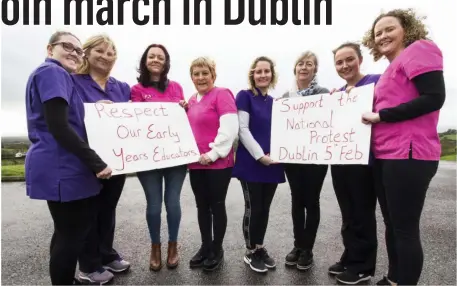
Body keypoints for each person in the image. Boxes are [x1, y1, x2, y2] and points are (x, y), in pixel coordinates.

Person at [360, 8, 446, 285]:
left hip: (409, 153)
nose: (383, 35)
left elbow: (434, 97)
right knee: (392, 225)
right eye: (378, 33)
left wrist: (383, 115)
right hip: (386, 154)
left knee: (405, 229)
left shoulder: (420, 49)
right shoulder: (389, 70)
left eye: (389, 29)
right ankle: (394, 278)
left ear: (406, 30)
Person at [24, 31, 112, 285]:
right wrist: (97, 162)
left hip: (60, 164)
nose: (75, 52)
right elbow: (59, 127)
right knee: (71, 235)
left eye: (78, 49)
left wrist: (97, 109)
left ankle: (64, 280)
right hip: (61, 165)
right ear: (50, 49)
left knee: (65, 233)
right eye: (67, 46)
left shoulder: (55, 75)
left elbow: (70, 116)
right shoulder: (53, 72)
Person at [72, 34, 131, 284]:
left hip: (116, 159)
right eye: (100, 51)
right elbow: (68, 116)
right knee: (88, 214)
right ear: (86, 52)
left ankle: (107, 254)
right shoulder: (73, 81)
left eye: (110, 52)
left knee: (107, 210)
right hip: (87, 160)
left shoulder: (122, 87)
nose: (106, 56)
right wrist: (95, 110)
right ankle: (88, 265)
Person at [130, 44, 188, 271]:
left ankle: (173, 245)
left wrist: (184, 107)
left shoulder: (176, 88)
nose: (155, 60)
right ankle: (156, 246)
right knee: (154, 206)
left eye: (160, 57)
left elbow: (182, 121)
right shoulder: (136, 90)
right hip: (148, 158)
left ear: (166, 62)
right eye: (151, 56)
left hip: (175, 156)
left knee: (172, 202)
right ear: (145, 60)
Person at [327, 42, 380, 284]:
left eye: (349, 59)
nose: (345, 65)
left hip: (364, 160)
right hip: (340, 160)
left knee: (362, 213)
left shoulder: (375, 82)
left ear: (360, 59)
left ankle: (363, 266)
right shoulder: (337, 94)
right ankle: (350, 256)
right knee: (348, 213)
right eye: (339, 62)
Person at [184, 57, 239, 272]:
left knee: (216, 205)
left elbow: (230, 128)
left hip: (217, 163)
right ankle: (205, 245)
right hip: (196, 163)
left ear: (213, 75)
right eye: (196, 74)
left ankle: (217, 249)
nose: (200, 77)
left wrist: (214, 153)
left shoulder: (222, 94)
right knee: (201, 206)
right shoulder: (191, 99)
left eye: (204, 73)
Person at [232, 56, 286, 273]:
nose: (263, 75)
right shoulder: (244, 96)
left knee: (264, 208)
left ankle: (260, 247)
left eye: (267, 71)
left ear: (272, 74)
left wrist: (278, 152)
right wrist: (259, 155)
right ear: (252, 75)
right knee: (253, 208)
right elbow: (242, 129)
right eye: (259, 71)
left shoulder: (275, 103)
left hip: (273, 162)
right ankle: (250, 251)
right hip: (252, 162)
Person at [281, 51, 330, 271]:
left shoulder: (323, 93)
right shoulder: (286, 97)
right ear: (295, 69)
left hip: (316, 158)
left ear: (315, 69)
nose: (304, 67)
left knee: (312, 201)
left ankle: (308, 248)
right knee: (296, 200)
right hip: (293, 157)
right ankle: (298, 245)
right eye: (300, 63)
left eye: (309, 64)